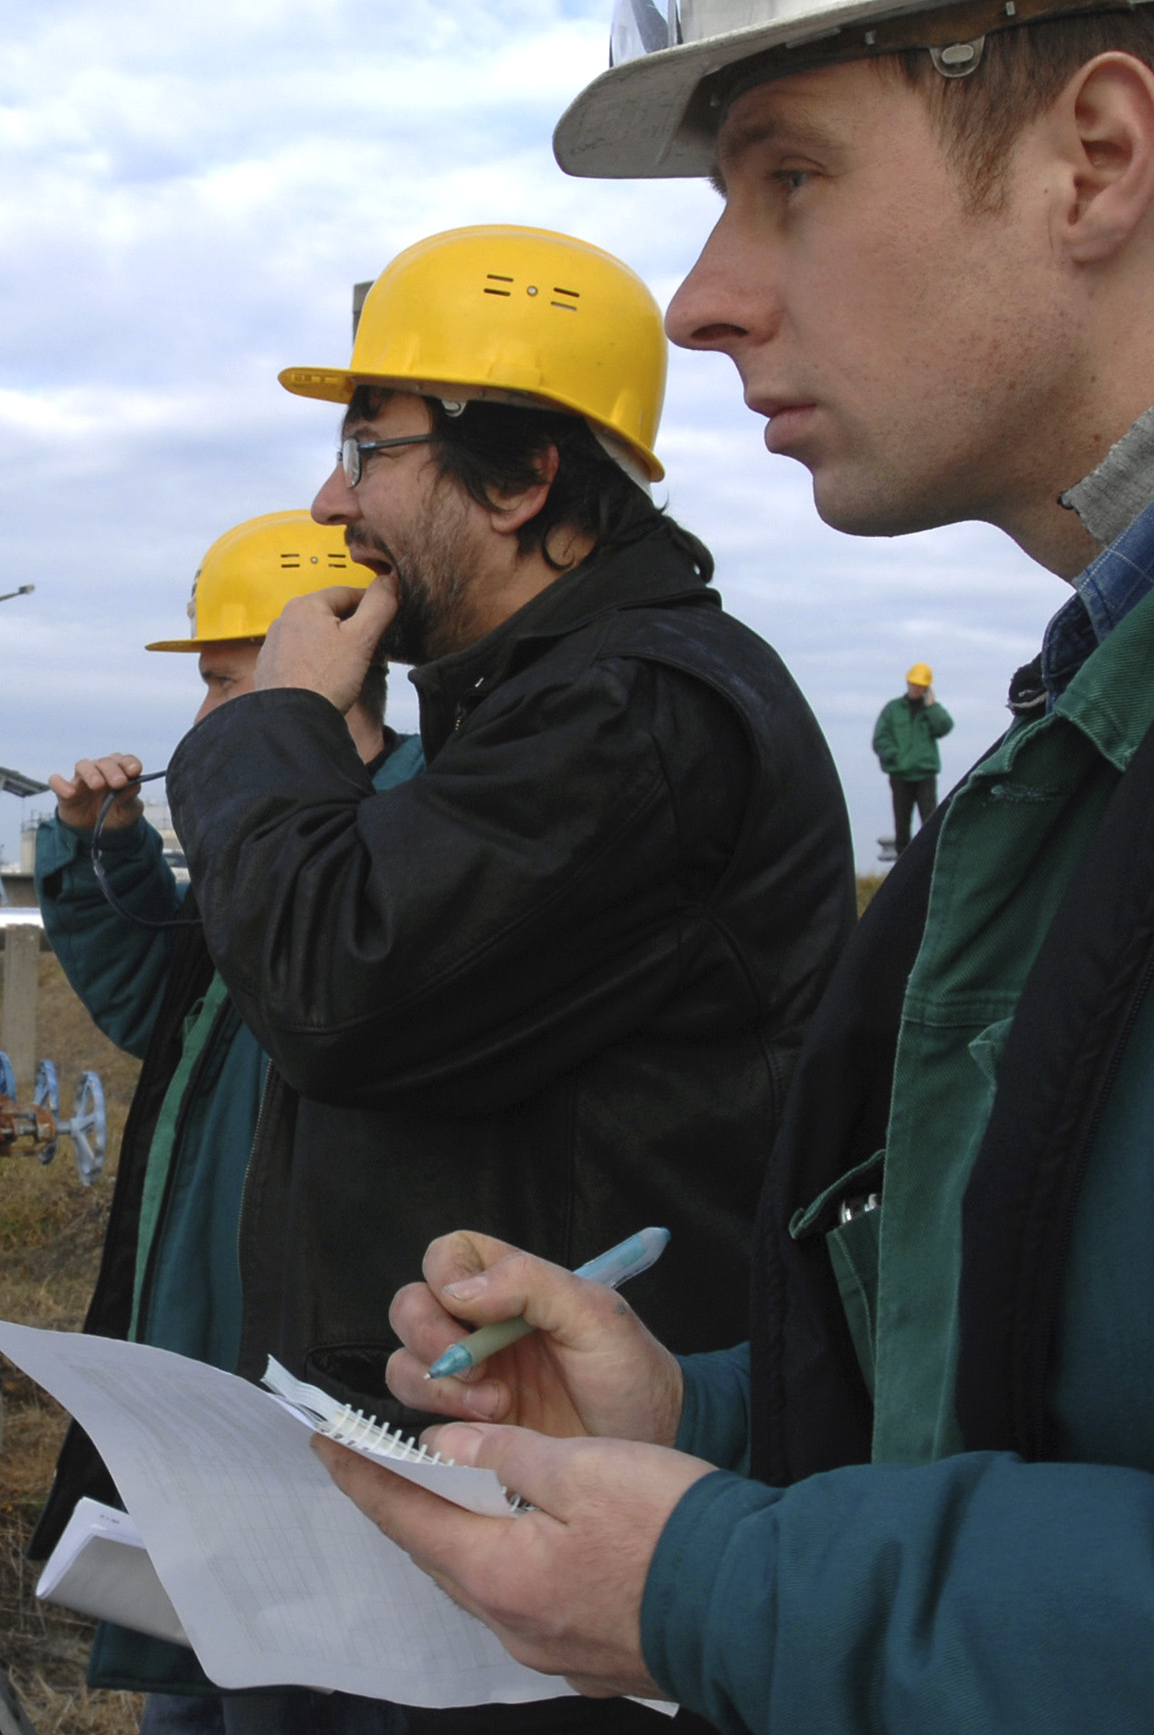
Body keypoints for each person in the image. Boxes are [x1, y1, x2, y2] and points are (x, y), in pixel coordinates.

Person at [319, 10, 1154, 1733]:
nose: (697, 300)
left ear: (1095, 159)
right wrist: (696, 1421)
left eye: (790, 176)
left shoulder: (662, 710)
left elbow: (336, 976)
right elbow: (1067, 1410)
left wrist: (728, 1584)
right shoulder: (1099, 717)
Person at [160, 225, 855, 1730]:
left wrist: (272, 725)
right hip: (464, 1458)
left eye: (369, 447)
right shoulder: (534, 707)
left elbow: (331, 983)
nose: (331, 502)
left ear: (522, 475)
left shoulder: (633, 714)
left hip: (556, 1514)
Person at [27, 514, 420, 1734]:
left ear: (332, 666)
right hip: (208, 1366)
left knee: (302, 1683)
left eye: (225, 682)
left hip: (321, 1384)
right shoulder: (276, 845)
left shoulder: (414, 832)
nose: (201, 718)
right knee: (201, 1682)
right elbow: (172, 1016)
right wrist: (103, 861)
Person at [872, 663, 953, 858]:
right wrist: (893, 756)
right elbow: (880, 738)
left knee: (930, 822)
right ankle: (902, 864)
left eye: (921, 685)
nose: (916, 688)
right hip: (900, 775)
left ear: (927, 687)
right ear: (908, 683)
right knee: (902, 826)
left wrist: (931, 707)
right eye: (914, 684)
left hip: (925, 774)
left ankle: (929, 862)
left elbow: (945, 727)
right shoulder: (893, 709)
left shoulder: (932, 710)